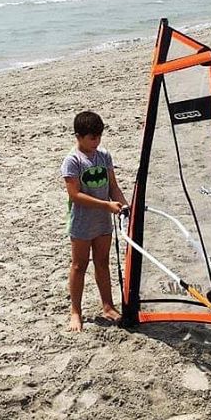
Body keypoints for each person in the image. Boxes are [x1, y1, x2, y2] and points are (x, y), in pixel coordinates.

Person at [60, 111, 128, 332]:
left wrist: (124, 205)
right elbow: (74, 194)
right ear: (78, 136)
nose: (96, 141)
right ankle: (76, 312)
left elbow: (113, 186)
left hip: (102, 222)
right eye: (92, 138)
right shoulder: (72, 160)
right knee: (79, 265)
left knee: (102, 262)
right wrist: (105, 206)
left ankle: (107, 306)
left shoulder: (103, 155)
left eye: (99, 136)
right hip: (81, 222)